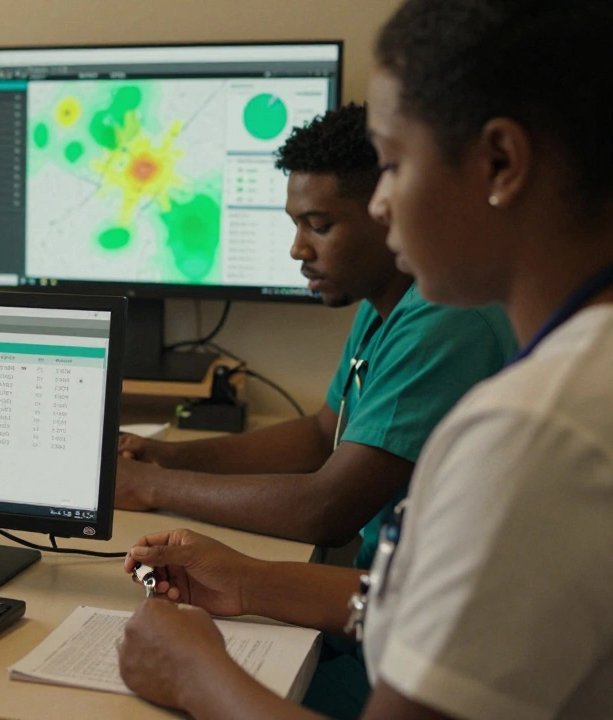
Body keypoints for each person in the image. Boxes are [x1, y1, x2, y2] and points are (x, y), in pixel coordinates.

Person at [117, 0, 613, 718]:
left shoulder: (534, 433)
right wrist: (247, 583)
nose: (380, 204)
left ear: (501, 162)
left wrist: (193, 673)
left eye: (393, 164)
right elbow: (427, 606)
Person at [116, 104, 516, 571]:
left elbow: (324, 511)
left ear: (389, 209)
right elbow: (322, 436)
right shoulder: (382, 303)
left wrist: (149, 486)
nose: (298, 248)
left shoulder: (449, 319)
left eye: (319, 226)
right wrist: (168, 458)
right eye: (296, 224)